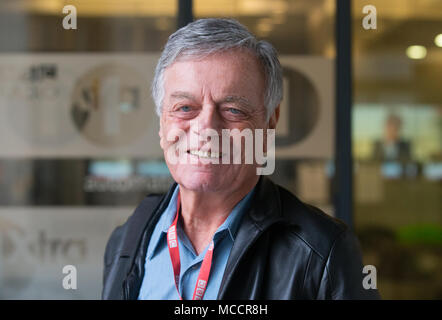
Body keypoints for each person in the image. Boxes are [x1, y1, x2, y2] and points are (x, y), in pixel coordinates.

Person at [102, 18, 380, 300]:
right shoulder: (127, 240)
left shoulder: (322, 254)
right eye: (185, 108)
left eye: (233, 110)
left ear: (270, 124)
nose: (207, 129)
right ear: (162, 125)